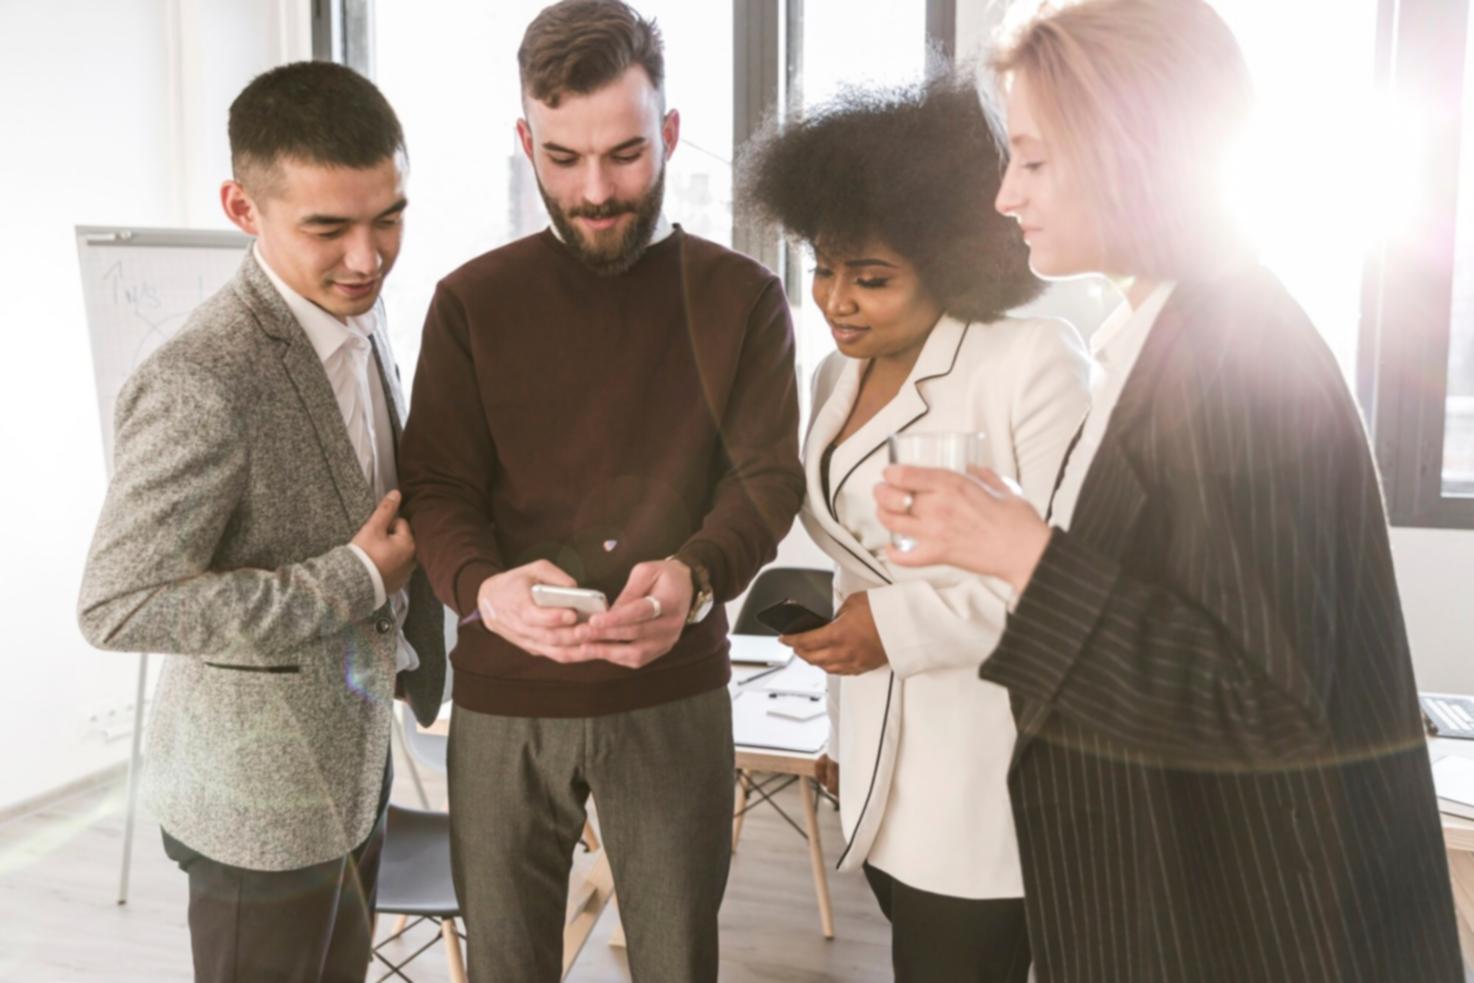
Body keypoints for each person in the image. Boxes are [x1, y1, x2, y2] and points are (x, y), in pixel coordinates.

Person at [874, 2, 1463, 980]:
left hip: (1249, 934)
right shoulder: (1170, 335)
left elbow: (1263, 707)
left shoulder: (1231, 359)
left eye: (1032, 160)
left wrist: (1023, 553)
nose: (1003, 197)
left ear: (1127, 149)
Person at [396, 2, 804, 979]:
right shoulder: (468, 302)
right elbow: (438, 485)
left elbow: (765, 479)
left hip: (672, 691)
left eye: (624, 154)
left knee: (675, 962)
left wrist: (698, 575)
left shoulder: (740, 296)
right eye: (562, 157)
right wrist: (480, 587)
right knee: (507, 964)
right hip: (502, 695)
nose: (594, 191)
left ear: (667, 131)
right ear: (524, 141)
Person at [77, 61, 446, 982]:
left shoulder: (363, 308)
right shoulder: (203, 378)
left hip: (354, 773)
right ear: (243, 209)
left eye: (388, 217)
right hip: (256, 806)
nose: (368, 257)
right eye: (328, 227)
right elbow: (118, 604)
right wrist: (352, 581)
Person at [741, 77, 1090, 982]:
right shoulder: (831, 378)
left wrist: (886, 630)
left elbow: (1066, 584)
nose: (835, 301)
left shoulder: (1030, 363)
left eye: (872, 278)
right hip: (876, 759)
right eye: (823, 267)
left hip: (988, 769)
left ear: (954, 260)